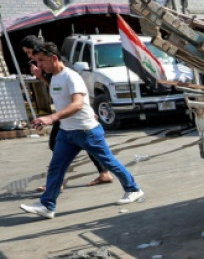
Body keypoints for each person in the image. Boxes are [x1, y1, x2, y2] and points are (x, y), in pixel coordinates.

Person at [19, 42, 144, 220]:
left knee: (108, 162)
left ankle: (133, 189)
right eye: (37, 61)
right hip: (66, 132)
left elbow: (77, 104)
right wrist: (41, 78)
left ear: (54, 58)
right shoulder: (55, 77)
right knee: (56, 167)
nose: (38, 65)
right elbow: (61, 94)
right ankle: (47, 205)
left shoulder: (71, 76)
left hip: (86, 131)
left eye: (41, 60)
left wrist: (51, 118)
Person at [19, 35, 113, 188]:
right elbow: (55, 88)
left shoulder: (62, 66)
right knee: (71, 145)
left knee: (64, 145)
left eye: (30, 52)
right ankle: (102, 173)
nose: (30, 57)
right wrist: (40, 76)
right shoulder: (46, 66)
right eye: (28, 54)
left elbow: (78, 90)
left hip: (72, 114)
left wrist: (87, 109)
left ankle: (58, 183)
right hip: (65, 115)